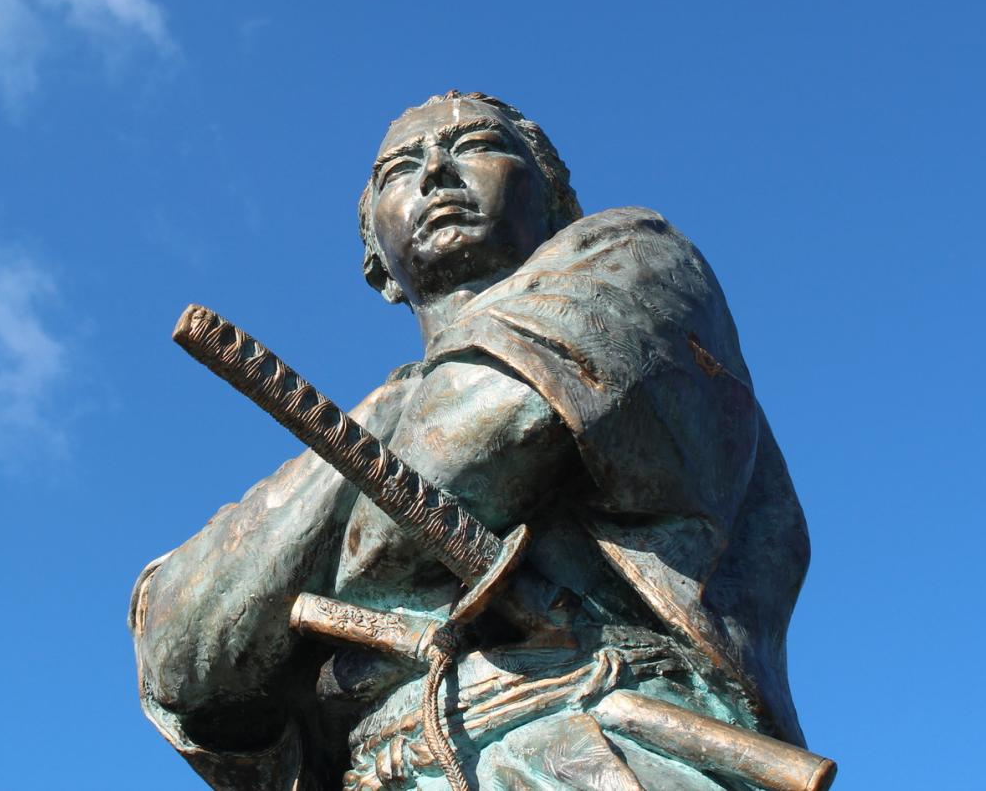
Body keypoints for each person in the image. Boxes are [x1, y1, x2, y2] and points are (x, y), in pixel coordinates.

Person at [130, 92, 811, 791]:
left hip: (590, 743)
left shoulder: (633, 258)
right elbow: (183, 661)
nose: (434, 174)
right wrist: (387, 415)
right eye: (399, 167)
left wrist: (279, 564)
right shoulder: (391, 405)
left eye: (473, 144)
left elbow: (470, 452)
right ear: (374, 260)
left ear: (553, 197)